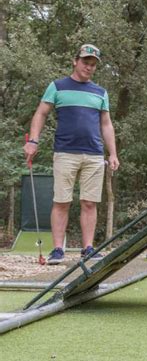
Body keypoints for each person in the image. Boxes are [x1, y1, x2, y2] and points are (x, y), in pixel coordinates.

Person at [23, 44, 119, 264]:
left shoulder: (100, 92)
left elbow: (106, 124)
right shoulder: (57, 87)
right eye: (86, 62)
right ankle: (58, 249)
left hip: (94, 155)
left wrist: (112, 153)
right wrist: (33, 141)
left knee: (89, 203)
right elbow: (41, 114)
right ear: (75, 61)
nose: (89, 67)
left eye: (93, 64)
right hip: (65, 153)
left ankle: (88, 249)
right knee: (62, 201)